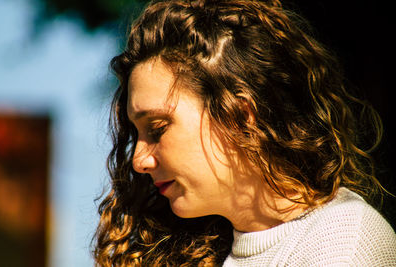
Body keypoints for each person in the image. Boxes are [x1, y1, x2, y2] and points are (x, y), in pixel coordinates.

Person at [93, 0, 396, 266]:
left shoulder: (342, 245)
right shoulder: (201, 244)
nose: (138, 160)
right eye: (136, 134)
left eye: (157, 129)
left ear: (239, 116)